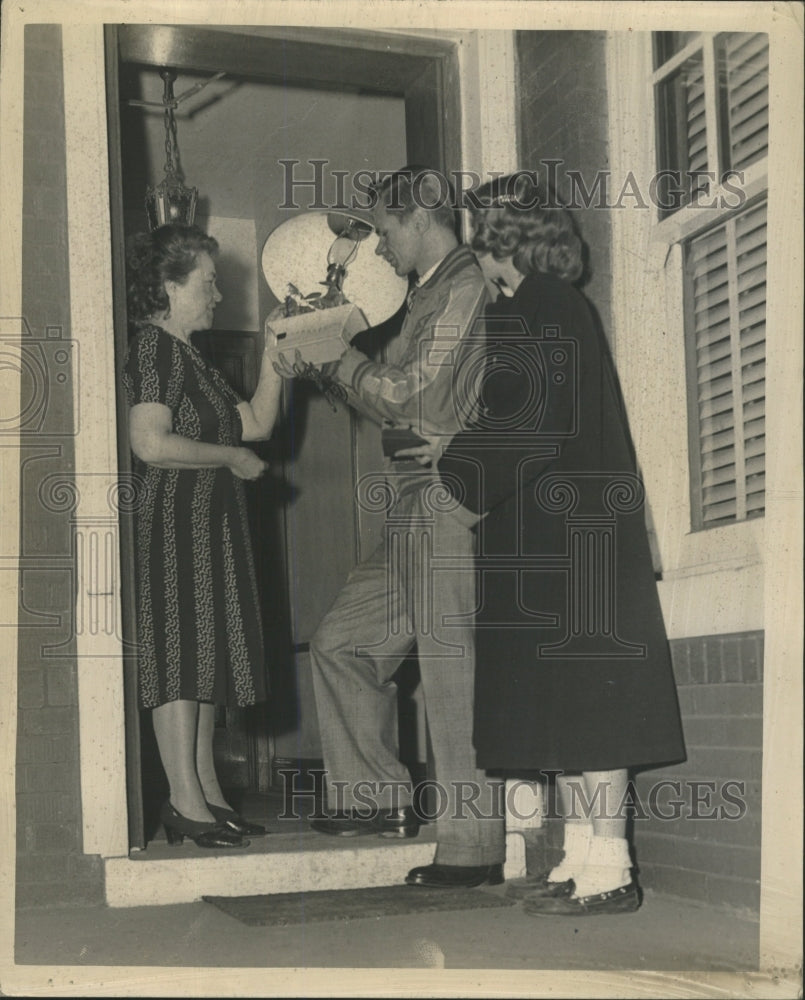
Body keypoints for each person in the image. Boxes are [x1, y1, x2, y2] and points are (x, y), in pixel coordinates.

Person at [399, 171, 686, 913]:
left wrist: (454, 468)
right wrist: (458, 449)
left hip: (571, 540)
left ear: (499, 242)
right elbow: (521, 417)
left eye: (479, 238)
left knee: (589, 708)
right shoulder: (547, 307)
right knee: (568, 706)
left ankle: (612, 870)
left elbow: (527, 422)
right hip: (562, 532)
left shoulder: (539, 308)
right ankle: (585, 857)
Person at [278, 166, 506, 888]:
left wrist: (330, 352)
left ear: (419, 218)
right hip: (414, 499)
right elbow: (384, 395)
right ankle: (374, 799)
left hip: (448, 495)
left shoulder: (464, 286)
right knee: (341, 641)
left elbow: (413, 397)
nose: (379, 248)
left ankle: (472, 850)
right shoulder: (427, 295)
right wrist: (324, 357)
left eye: (384, 230)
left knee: (450, 670)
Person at [122, 223, 282, 848]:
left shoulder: (193, 358)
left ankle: (207, 793)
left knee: (203, 656)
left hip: (207, 523)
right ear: (169, 286)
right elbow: (149, 443)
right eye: (209, 283)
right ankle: (183, 801)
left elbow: (260, 425)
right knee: (179, 657)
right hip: (173, 522)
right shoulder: (156, 349)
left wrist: (275, 354)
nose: (218, 295)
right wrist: (228, 459)